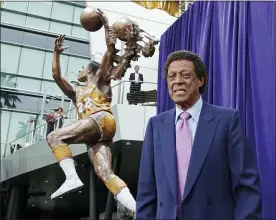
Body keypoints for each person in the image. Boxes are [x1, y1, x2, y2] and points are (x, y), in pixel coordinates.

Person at [136, 50, 262, 220]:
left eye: (185, 75)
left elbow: (247, 186)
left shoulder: (227, 120)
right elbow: (146, 191)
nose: (177, 81)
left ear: (200, 80)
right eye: (172, 76)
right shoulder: (156, 125)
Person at [46, 9, 137, 216]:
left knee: (54, 136)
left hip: (100, 119)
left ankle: (71, 177)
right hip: (99, 136)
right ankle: (136, 208)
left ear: (90, 70)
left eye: (83, 67)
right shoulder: (77, 92)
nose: (80, 70)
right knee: (105, 173)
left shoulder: (100, 79)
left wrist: (105, 22)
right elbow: (56, 75)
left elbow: (109, 49)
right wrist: (56, 54)